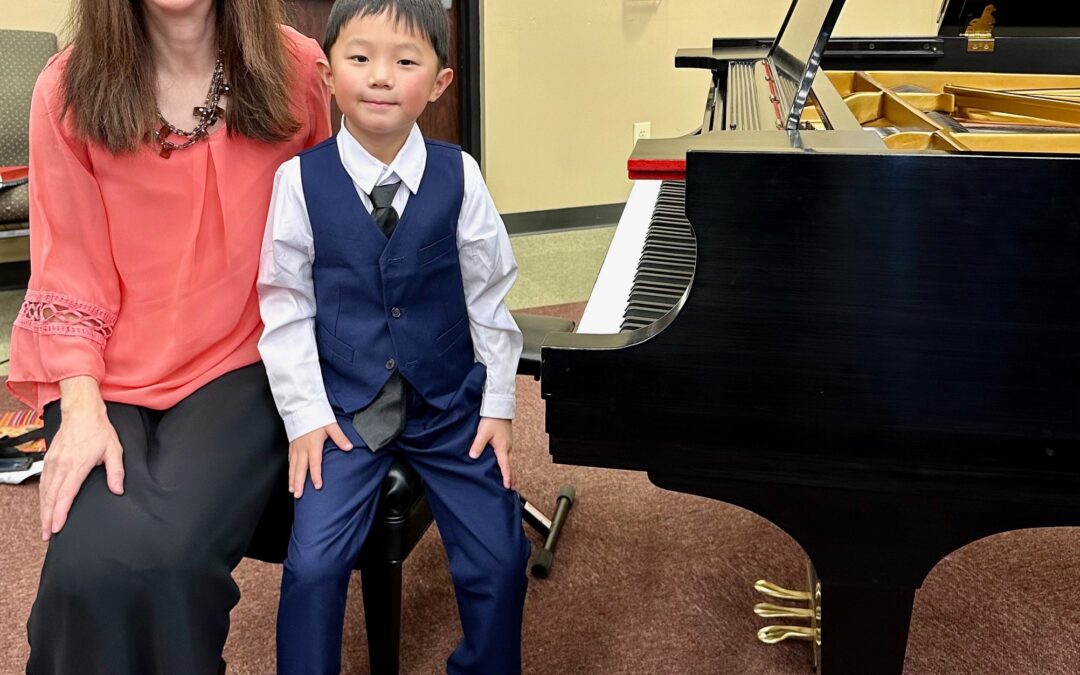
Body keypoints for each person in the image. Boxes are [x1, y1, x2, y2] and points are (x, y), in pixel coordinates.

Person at [9, 0, 331, 672]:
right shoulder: (66, 89)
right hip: (103, 370)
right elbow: (68, 265)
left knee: (166, 558)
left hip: (243, 358)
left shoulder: (297, 70)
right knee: (83, 569)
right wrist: (81, 407)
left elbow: (325, 237)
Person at [256, 0, 530, 673]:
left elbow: (489, 294)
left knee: (501, 556)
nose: (380, 76)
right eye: (360, 58)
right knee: (313, 565)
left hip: (448, 406)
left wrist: (497, 404)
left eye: (405, 61)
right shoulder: (298, 181)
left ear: (439, 83)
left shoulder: (460, 174)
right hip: (345, 412)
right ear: (327, 74)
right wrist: (305, 416)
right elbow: (286, 306)